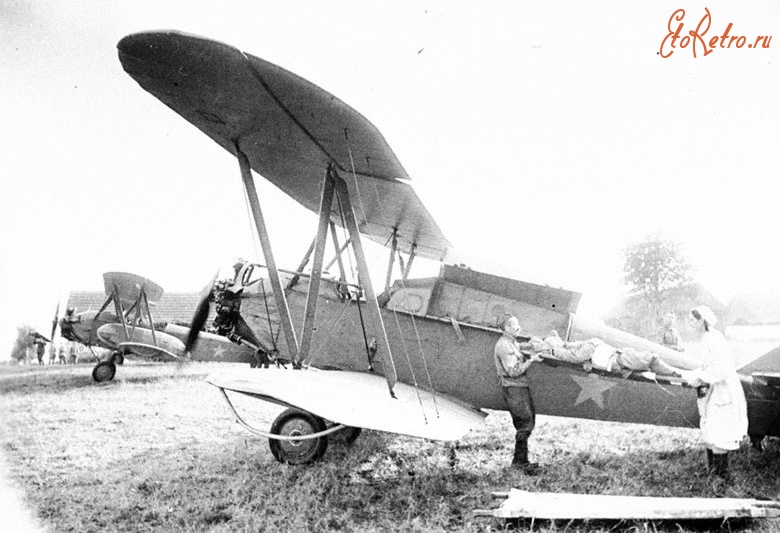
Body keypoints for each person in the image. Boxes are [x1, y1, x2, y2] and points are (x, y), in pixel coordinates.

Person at [682, 305, 748, 481]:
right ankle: (713, 473)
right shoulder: (706, 337)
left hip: (723, 389)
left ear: (701, 320)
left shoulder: (713, 338)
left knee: (720, 431)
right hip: (714, 388)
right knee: (710, 427)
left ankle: (722, 477)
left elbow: (720, 369)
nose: (688, 323)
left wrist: (699, 378)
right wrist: (696, 375)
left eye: (691, 320)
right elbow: (707, 365)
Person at [494, 315, 543, 472]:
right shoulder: (504, 346)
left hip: (519, 388)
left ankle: (521, 461)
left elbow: (519, 348)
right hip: (514, 388)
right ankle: (519, 463)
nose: (518, 327)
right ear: (507, 328)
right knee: (524, 424)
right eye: (515, 325)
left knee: (528, 421)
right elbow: (513, 371)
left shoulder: (511, 342)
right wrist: (531, 360)